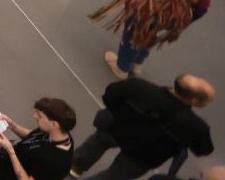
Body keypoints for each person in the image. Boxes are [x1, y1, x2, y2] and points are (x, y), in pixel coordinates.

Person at [69, 74, 215, 180]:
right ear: (194, 100)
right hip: (142, 155)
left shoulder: (138, 86)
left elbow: (110, 95)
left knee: (96, 144)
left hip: (116, 129)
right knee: (115, 176)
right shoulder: (196, 127)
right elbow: (203, 149)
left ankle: (75, 166)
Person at [0, 98, 79, 180]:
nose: (34, 116)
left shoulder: (54, 162)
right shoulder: (55, 132)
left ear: (54, 124)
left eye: (40, 116)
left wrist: (10, 151)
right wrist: (13, 126)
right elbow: (34, 136)